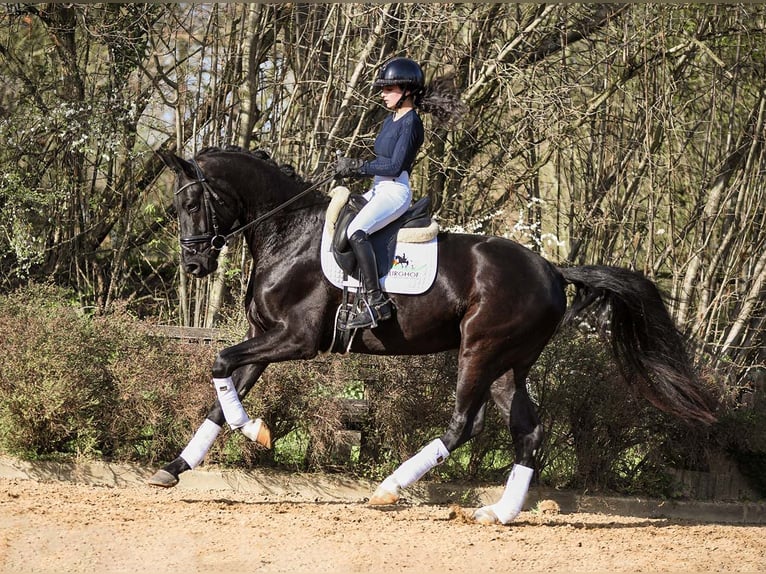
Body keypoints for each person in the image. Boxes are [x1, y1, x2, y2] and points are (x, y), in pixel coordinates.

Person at [336, 57, 465, 329]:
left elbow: (394, 165)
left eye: (388, 88)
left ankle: (376, 303)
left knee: (356, 231)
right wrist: (349, 166)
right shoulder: (391, 118)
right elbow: (380, 159)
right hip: (378, 188)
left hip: (394, 191)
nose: (382, 94)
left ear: (406, 90)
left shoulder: (411, 123)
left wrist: (358, 167)